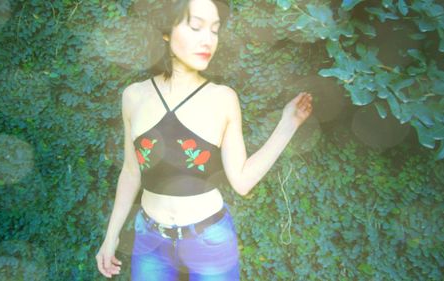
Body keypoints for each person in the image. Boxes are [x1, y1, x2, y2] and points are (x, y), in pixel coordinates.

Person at [96, 0, 313, 280]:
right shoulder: (133, 97)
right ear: (166, 31)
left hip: (210, 240)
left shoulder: (222, 99)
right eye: (196, 26)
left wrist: (288, 124)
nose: (207, 40)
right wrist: (111, 235)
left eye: (214, 30)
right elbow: (130, 171)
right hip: (150, 241)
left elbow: (242, 181)